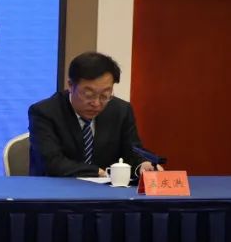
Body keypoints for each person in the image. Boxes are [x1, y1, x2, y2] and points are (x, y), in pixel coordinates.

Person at [28, 51, 160, 177]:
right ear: (71, 85)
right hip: (55, 190)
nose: (96, 103)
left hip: (106, 191)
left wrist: (143, 164)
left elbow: (132, 151)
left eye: (105, 95)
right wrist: (96, 172)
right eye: (89, 94)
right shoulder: (44, 112)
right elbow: (52, 162)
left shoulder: (121, 111)